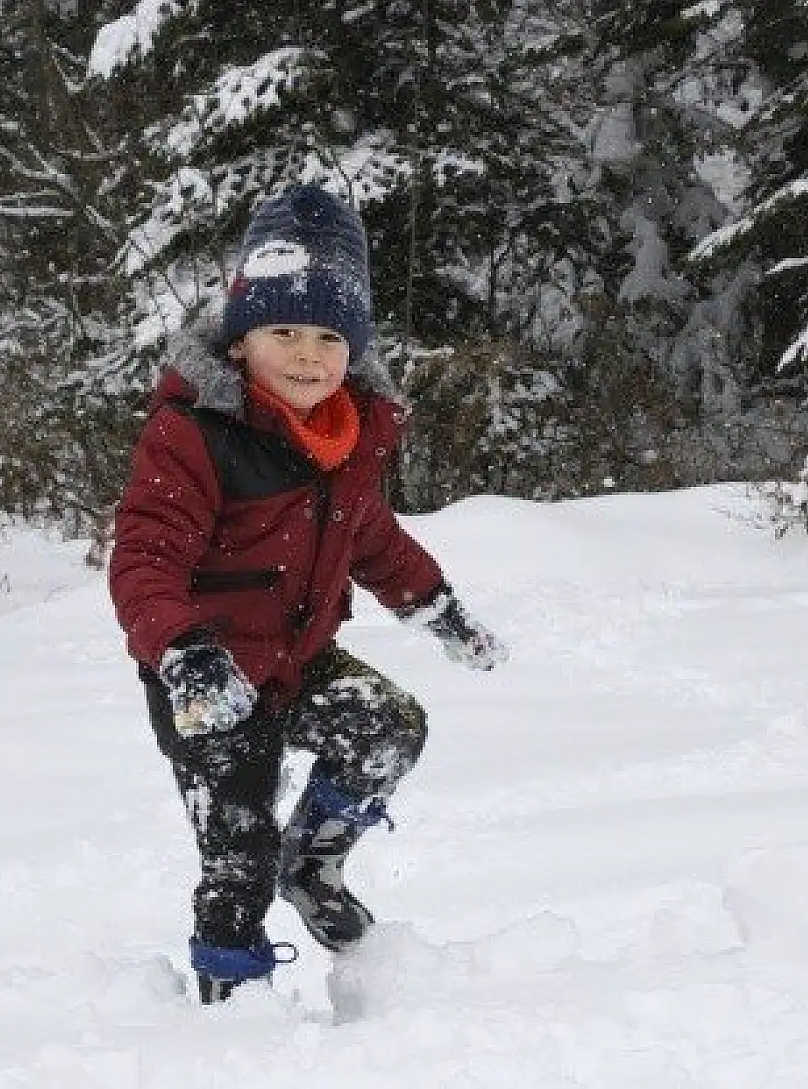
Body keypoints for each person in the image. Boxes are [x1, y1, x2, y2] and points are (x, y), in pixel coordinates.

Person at [108, 183, 508, 1004]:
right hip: (210, 679)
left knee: (390, 727)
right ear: (241, 336)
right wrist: (184, 653)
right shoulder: (196, 433)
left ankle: (314, 866)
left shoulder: (348, 435)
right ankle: (233, 1008)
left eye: (329, 336)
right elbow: (144, 560)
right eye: (283, 330)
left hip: (298, 660)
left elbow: (371, 538)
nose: (307, 355)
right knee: (236, 854)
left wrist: (436, 605)